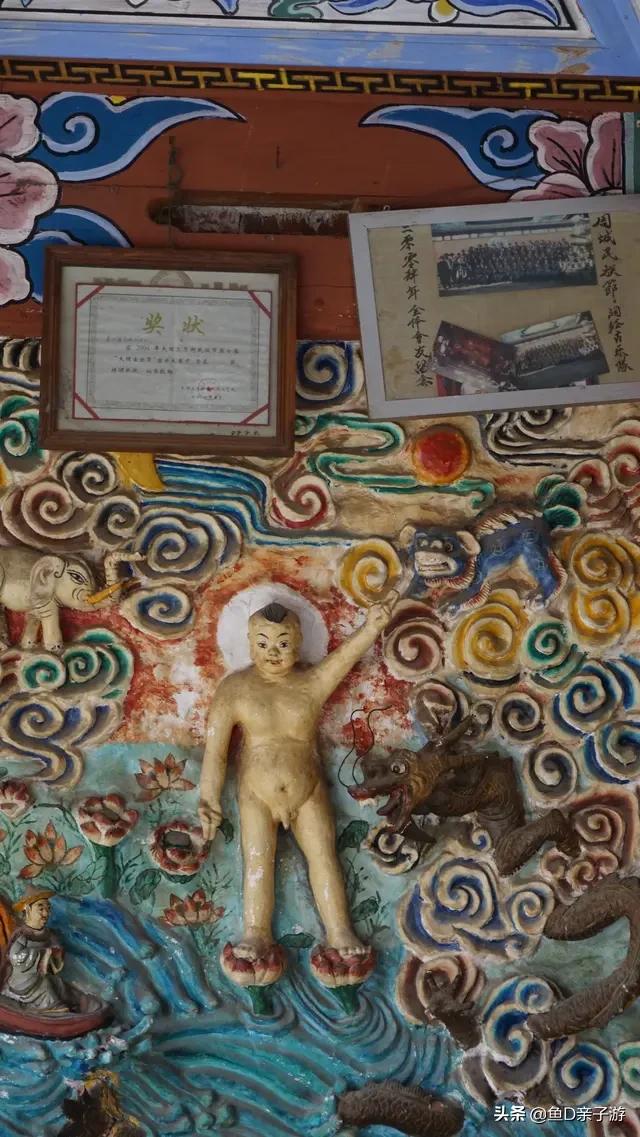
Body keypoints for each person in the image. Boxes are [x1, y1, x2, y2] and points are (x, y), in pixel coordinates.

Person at [199, 593, 398, 962]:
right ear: (249, 644)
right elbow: (216, 752)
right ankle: (256, 932)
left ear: (299, 643)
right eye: (262, 643)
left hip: (308, 788)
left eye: (283, 643)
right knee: (258, 860)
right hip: (256, 792)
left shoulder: (310, 683)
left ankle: (339, 931)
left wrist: (371, 627)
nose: (272, 652)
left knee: (323, 857)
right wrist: (208, 799)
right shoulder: (235, 689)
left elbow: (343, 659)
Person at [0, 889, 70, 1012]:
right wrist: (42, 954)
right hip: (22, 980)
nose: (45, 913)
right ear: (27, 909)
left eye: (48, 909)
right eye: (41, 909)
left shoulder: (50, 935)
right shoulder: (22, 934)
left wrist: (54, 954)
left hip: (42, 975)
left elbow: (57, 957)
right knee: (45, 986)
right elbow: (15, 957)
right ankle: (51, 1007)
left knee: (58, 984)